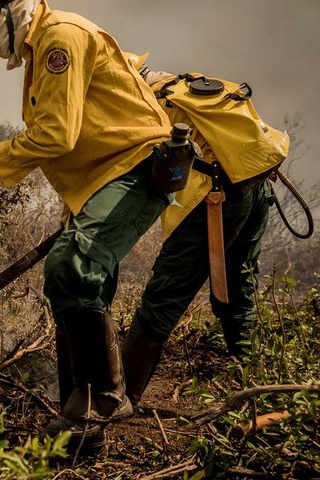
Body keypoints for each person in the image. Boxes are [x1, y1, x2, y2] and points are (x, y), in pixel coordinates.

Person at [0, 0, 173, 451]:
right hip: (107, 175)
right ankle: (78, 418)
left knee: (71, 266)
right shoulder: (40, 47)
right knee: (76, 282)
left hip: (137, 166)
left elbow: (56, 135)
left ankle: (102, 400)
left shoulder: (58, 38)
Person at [120, 54, 281, 405]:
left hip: (215, 200)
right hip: (256, 191)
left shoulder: (143, 102)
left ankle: (116, 403)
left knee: (162, 298)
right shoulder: (181, 84)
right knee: (238, 289)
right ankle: (262, 388)